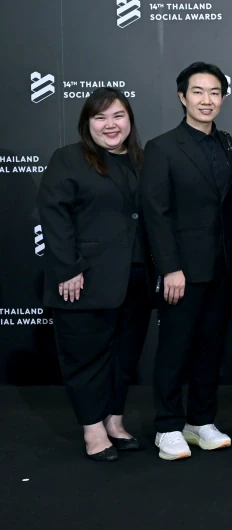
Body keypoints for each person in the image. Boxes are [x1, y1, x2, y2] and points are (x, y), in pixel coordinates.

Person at [37, 88, 152, 461]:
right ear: (87, 124)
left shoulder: (141, 161)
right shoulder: (68, 159)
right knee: (85, 358)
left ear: (130, 119)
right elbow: (54, 216)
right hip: (83, 280)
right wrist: (69, 268)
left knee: (123, 356)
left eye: (118, 116)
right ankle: (92, 429)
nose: (110, 125)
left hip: (135, 280)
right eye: (100, 117)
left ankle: (114, 422)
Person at [140, 62, 232, 461]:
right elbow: (157, 213)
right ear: (182, 97)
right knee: (175, 348)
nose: (206, 100)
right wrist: (170, 267)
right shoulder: (162, 147)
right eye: (198, 92)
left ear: (223, 98)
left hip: (224, 267)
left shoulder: (230, 145)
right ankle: (167, 425)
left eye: (215, 92)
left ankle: (200, 421)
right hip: (182, 270)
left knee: (211, 348)